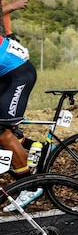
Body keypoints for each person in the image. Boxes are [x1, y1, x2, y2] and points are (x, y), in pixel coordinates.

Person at [0, 35, 38, 205]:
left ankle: (30, 187)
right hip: (7, 74)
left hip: (18, 76)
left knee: (2, 133)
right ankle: (37, 146)